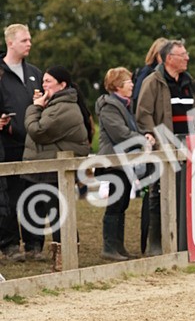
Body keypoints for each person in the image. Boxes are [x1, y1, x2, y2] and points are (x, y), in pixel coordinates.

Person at [136, 40, 195, 254]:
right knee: (158, 196)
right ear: (169, 59)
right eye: (182, 54)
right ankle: (156, 245)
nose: (187, 58)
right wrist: (157, 140)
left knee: (184, 196)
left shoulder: (189, 83)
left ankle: (181, 243)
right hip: (163, 150)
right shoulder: (153, 82)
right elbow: (143, 113)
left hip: (188, 149)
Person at [22, 65, 90, 268]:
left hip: (55, 171)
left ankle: (66, 255)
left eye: (48, 81)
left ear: (63, 85)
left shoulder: (64, 107)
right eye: (43, 81)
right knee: (51, 212)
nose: (44, 85)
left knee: (59, 215)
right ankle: (58, 253)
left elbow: (38, 131)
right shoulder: (55, 104)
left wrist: (34, 107)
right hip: (46, 168)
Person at [0, 23, 45, 261]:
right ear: (10, 42)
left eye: (29, 39)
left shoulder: (35, 73)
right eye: (25, 40)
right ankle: (8, 246)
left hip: (33, 145)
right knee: (8, 198)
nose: (30, 43)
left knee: (34, 194)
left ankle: (34, 245)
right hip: (6, 146)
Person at [96, 67, 143, 260]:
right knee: (115, 204)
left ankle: (118, 246)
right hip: (113, 162)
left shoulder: (124, 105)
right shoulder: (110, 106)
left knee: (122, 203)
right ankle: (109, 247)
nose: (132, 84)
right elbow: (121, 134)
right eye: (128, 81)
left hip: (124, 163)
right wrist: (142, 138)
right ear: (117, 85)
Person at [132, 37, 169, 107]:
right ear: (156, 54)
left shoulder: (171, 74)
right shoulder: (146, 72)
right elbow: (137, 98)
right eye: (162, 54)